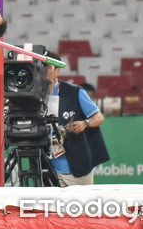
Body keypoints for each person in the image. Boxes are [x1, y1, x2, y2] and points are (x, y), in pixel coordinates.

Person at [45, 51, 110, 187]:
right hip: (47, 167)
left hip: (77, 166)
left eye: (47, 68)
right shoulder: (36, 95)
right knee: (51, 208)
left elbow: (98, 117)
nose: (42, 72)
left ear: (57, 70)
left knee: (81, 207)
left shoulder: (75, 92)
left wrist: (85, 123)